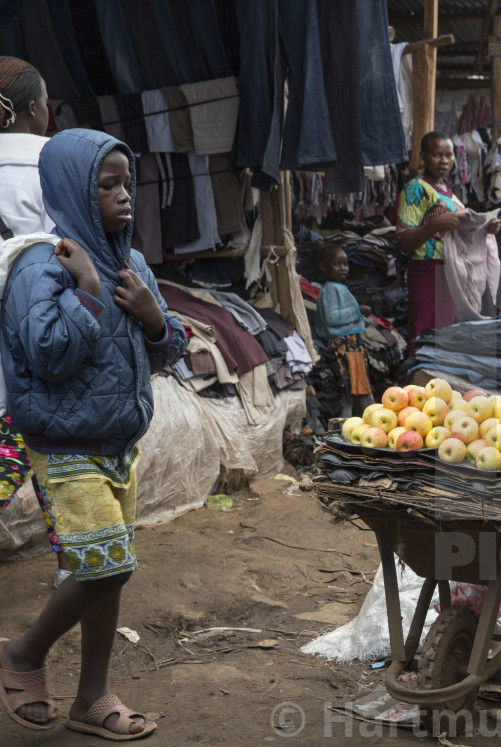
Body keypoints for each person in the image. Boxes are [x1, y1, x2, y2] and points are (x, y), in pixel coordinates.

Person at [0, 129, 186, 740]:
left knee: (103, 571)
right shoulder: (40, 264)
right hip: (64, 447)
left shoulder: (128, 262)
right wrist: (88, 292)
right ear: (74, 192)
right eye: (108, 186)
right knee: (108, 567)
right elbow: (46, 354)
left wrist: (155, 319)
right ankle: (24, 654)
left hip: (117, 445)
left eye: (127, 184)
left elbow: (165, 350)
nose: (124, 197)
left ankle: (92, 697)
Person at [0, 55, 71, 587]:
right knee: (54, 455)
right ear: (31, 109)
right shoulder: (60, 166)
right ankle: (73, 563)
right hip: (40, 334)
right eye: (47, 103)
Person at [396, 131, 499, 343]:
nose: (444, 161)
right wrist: (435, 223)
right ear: (423, 156)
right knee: (427, 334)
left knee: (447, 334)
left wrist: (485, 229)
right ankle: (421, 377)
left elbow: (459, 231)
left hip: (451, 271)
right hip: (428, 270)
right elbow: (403, 242)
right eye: (436, 155)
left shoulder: (448, 192)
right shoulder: (416, 189)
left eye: (448, 155)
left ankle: (442, 377)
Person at [315, 243, 374, 417]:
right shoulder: (329, 289)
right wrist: (358, 311)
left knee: (355, 386)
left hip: (351, 345)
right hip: (343, 346)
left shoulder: (336, 288)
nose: (343, 268)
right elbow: (332, 318)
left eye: (345, 264)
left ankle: (357, 420)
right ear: (323, 267)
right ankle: (351, 422)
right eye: (337, 264)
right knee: (350, 387)